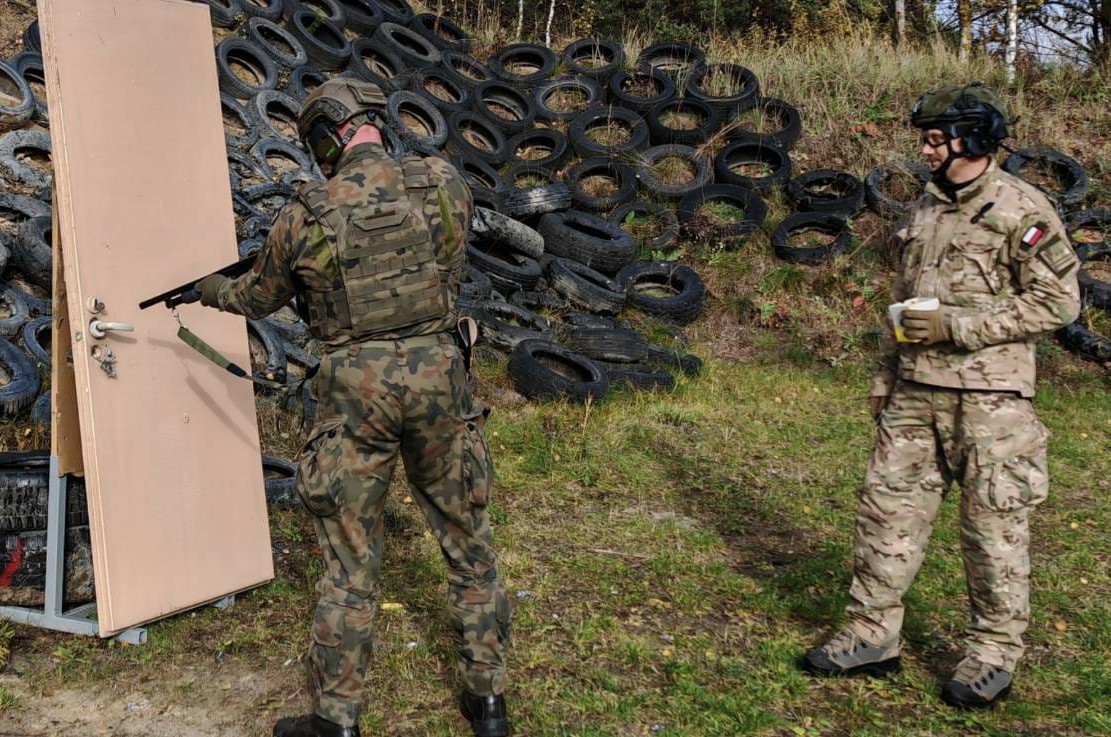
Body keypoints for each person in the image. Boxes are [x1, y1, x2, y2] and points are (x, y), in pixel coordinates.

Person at [193, 79, 511, 737]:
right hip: (439, 376)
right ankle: (488, 704)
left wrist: (210, 289)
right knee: (467, 541)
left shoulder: (308, 214)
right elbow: (448, 265)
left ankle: (337, 720)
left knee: (348, 559)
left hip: (354, 391)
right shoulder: (444, 183)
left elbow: (256, 298)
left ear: (323, 138)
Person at [801, 82, 1080, 709]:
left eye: (935, 140)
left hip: (991, 402)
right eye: (924, 140)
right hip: (914, 396)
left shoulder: (1020, 208)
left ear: (972, 140)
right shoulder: (925, 209)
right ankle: (872, 634)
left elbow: (1059, 301)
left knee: (993, 530)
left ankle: (992, 653)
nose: (925, 152)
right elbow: (899, 306)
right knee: (885, 516)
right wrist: (883, 376)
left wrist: (959, 326)